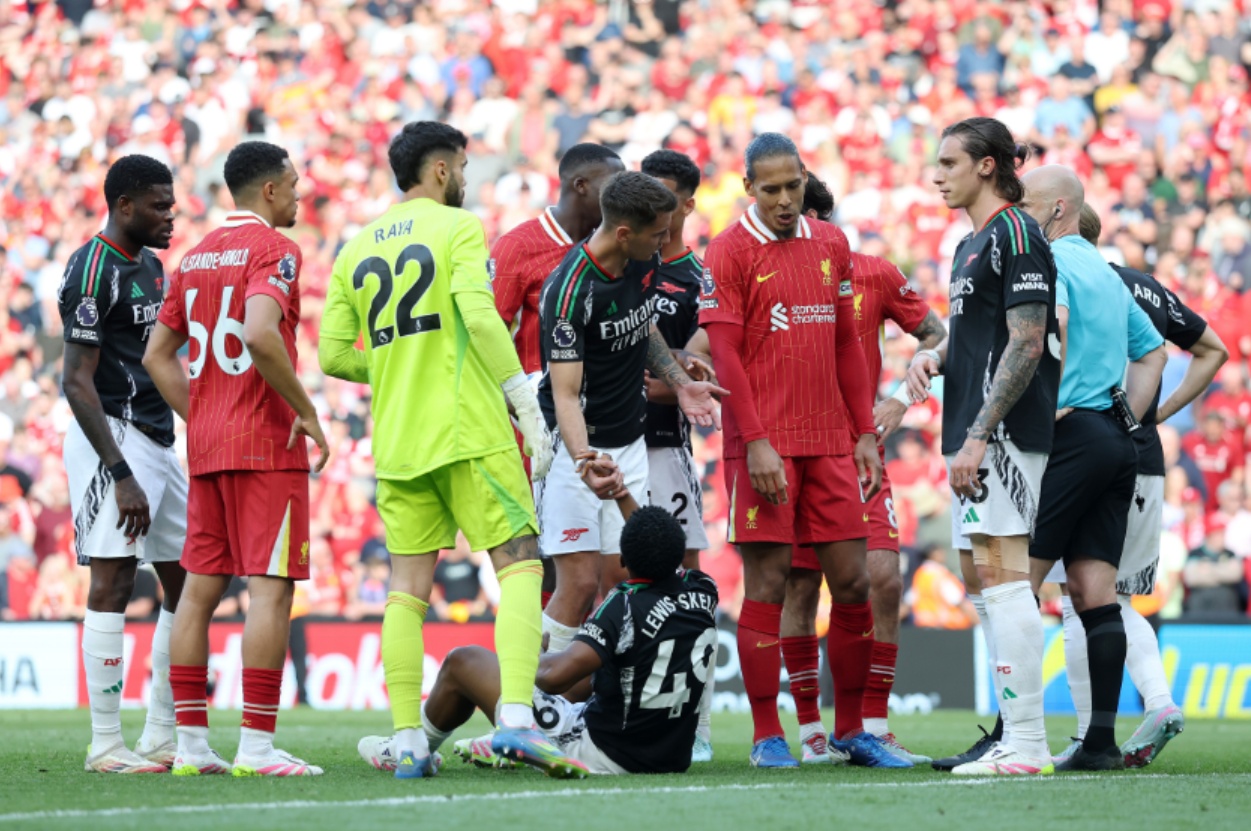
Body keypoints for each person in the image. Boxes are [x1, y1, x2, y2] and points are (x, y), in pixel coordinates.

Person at [316, 122, 578, 779]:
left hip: (399, 440)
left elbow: (330, 354)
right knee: (520, 564)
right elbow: (479, 312)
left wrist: (401, 359)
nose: (467, 178)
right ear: (438, 171)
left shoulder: (353, 250)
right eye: (461, 166)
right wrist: (521, 396)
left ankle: (407, 739)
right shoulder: (457, 228)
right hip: (467, 429)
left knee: (406, 590)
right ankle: (515, 720)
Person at [699, 133, 895, 769]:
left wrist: (863, 431)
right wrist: (754, 440)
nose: (786, 201)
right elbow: (723, 353)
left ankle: (851, 730)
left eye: (795, 186)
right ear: (749, 188)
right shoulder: (728, 251)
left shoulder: (831, 244)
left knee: (855, 582)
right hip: (763, 445)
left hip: (832, 442)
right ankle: (766, 735)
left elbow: (845, 345)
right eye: (772, 189)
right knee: (769, 584)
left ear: (806, 179)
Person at [145, 140, 330, 777]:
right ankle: (256, 746)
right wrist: (304, 410)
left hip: (208, 447)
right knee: (270, 591)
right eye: (295, 183)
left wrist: (202, 415)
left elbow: (156, 356)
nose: (302, 193)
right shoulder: (276, 250)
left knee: (198, 593)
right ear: (271, 190)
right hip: (265, 446)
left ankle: (193, 748)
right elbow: (256, 332)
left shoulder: (193, 257)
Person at [359, 456, 718, 776]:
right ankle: (494, 739)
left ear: (623, 561)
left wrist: (532, 652)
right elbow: (655, 540)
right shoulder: (702, 590)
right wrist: (623, 496)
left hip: (604, 753)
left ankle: (411, 748)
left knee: (462, 662)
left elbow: (553, 677)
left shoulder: (624, 605)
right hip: (672, 755)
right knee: (598, 674)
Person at [1049, 203, 1228, 768]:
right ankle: (1155, 702)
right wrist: (1156, 413)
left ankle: (1090, 732)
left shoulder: (1072, 280)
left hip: (1086, 448)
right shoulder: (1141, 286)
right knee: (1111, 596)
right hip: (1142, 455)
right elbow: (1213, 349)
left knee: (1079, 599)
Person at [909, 118, 1062, 776]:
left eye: (949, 162)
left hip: (999, 432)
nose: (936, 173)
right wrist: (931, 360)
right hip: (971, 429)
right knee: (991, 577)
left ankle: (1026, 743)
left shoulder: (1017, 234)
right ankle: (1017, 738)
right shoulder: (967, 243)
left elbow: (1026, 341)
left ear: (988, 167)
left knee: (1005, 576)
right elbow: (978, 340)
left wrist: (978, 433)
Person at [779, 173, 948, 765]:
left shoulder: (871, 272)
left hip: (859, 453)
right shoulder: (768, 271)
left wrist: (903, 396)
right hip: (793, 450)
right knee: (799, 585)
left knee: (883, 578)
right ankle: (810, 729)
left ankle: (872, 722)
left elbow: (936, 333)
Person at [535, 171, 726, 665]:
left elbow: (646, 329)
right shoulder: (571, 290)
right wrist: (584, 459)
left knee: (625, 577)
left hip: (632, 445)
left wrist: (681, 385)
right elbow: (566, 394)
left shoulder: (642, 264)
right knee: (576, 583)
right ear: (625, 233)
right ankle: (530, 705)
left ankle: (591, 706)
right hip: (577, 449)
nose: (667, 242)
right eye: (658, 233)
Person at [1016, 164, 1167, 772]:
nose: (1017, 214)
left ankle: (1015, 736)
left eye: (1025, 204)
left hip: (1070, 432)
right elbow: (1153, 350)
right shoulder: (1107, 275)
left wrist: (1046, 413)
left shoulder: (1049, 264)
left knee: (1015, 583)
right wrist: (1129, 414)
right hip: (1116, 438)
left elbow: (1054, 327)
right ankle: (1099, 742)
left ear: (1056, 209)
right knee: (1094, 591)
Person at [58, 154, 185, 774]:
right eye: (160, 204)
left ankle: (162, 732)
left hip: (161, 439)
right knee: (112, 581)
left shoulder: (154, 267)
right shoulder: (91, 271)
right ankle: (106, 744)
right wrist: (121, 472)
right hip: (113, 437)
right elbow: (76, 382)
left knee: (189, 578)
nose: (172, 213)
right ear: (124, 206)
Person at [639, 148, 718, 761]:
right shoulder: (614, 261)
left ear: (689, 203)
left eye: (665, 197)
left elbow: (702, 371)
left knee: (686, 583)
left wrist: (658, 382)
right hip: (602, 444)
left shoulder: (700, 279)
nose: (654, 210)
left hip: (665, 446)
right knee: (592, 580)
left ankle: (695, 725)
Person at [491, 143, 625, 376]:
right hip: (539, 400)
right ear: (581, 186)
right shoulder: (517, 246)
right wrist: (519, 398)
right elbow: (490, 332)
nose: (620, 198)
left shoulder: (617, 243)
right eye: (612, 187)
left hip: (604, 400)